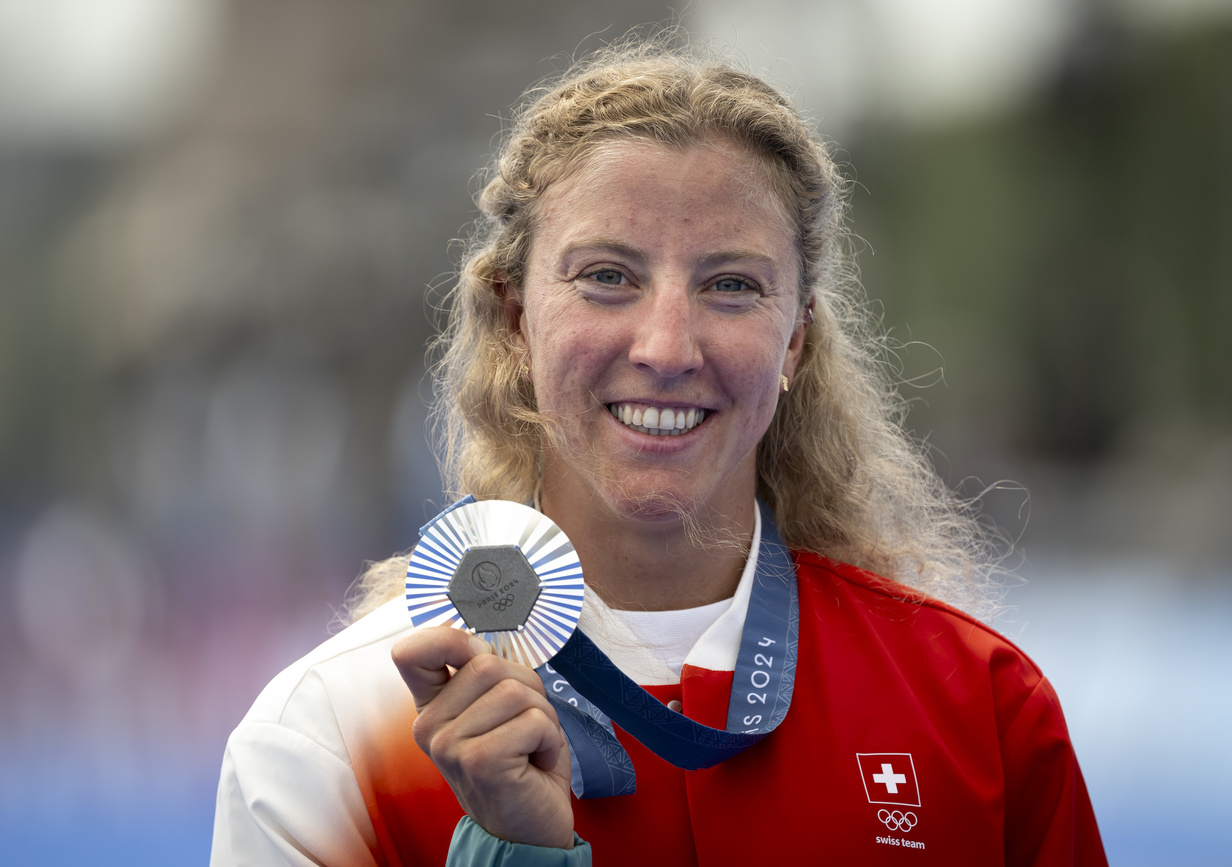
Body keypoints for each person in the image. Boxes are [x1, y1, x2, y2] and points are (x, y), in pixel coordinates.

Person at [212, 36, 1107, 866]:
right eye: (607, 276)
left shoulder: (981, 711)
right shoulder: (332, 739)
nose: (668, 346)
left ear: (794, 341)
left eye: (730, 285)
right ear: (517, 318)